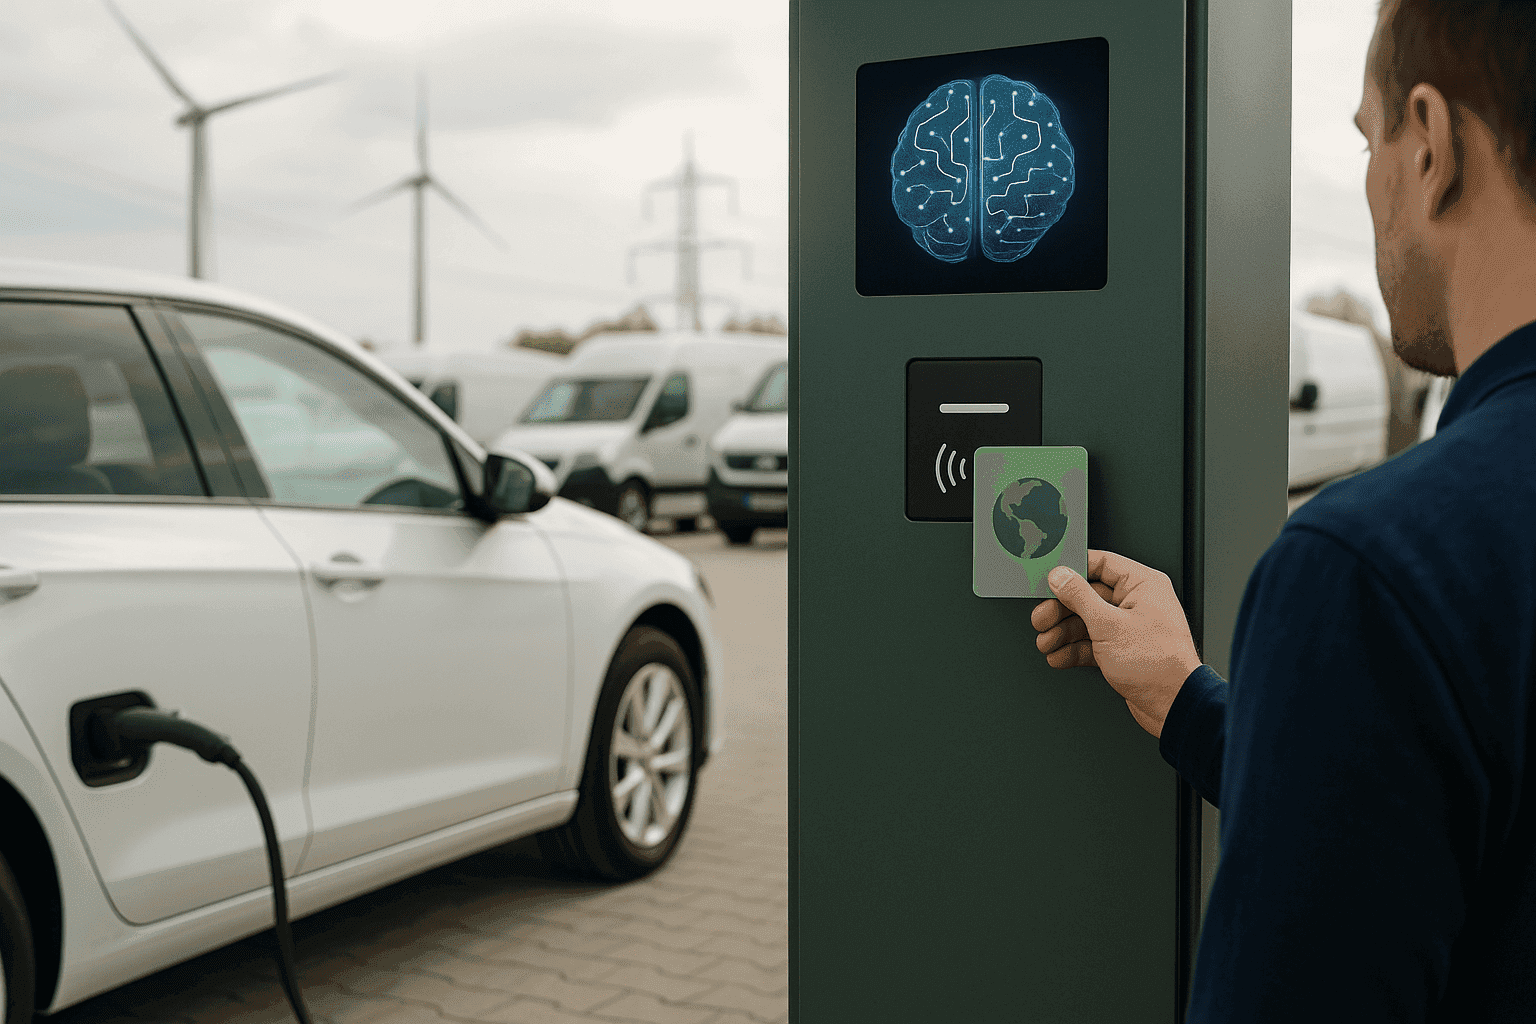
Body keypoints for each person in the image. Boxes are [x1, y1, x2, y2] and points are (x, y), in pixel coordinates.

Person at [1031, 1, 1536, 1019]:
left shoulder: (1372, 575)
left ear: (1429, 144)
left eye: (1367, 140)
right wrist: (1190, 702)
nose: (1372, 182)